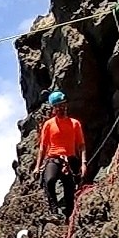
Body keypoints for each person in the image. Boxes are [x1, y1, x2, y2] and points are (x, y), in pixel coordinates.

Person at [32, 90, 87, 218]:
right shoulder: (49, 124)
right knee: (49, 180)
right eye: (58, 106)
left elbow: (81, 145)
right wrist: (37, 167)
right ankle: (54, 210)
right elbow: (43, 147)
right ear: (54, 108)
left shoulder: (75, 123)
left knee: (69, 190)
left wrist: (83, 163)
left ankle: (69, 216)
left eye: (63, 105)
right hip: (54, 158)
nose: (61, 108)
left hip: (71, 158)